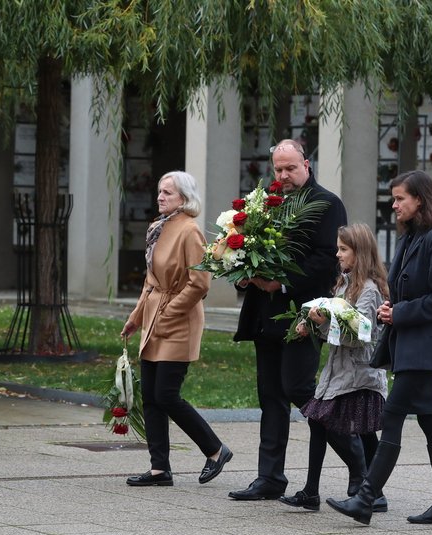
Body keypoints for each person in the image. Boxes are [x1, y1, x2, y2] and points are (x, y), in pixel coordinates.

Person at [327, 170, 432, 525]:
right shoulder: (410, 239)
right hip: (408, 343)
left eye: (401, 198)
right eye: (394, 198)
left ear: (421, 200)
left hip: (424, 347)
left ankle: (367, 498)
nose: (395, 204)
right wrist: (392, 309)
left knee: (392, 418)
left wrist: (400, 312)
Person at [229, 139, 347, 501]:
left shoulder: (327, 204)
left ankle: (362, 463)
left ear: (306, 165)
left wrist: (281, 282)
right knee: (270, 395)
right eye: (278, 169)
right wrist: (242, 270)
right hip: (265, 314)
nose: (283, 175)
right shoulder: (264, 205)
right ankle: (270, 477)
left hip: (302, 314)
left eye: (290, 168)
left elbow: (328, 260)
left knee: (298, 390)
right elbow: (247, 246)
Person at [121, 171, 232, 487]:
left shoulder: (189, 232)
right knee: (151, 396)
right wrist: (136, 317)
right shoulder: (157, 227)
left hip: (179, 320)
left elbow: (200, 283)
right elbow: (150, 280)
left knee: (167, 394)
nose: (160, 196)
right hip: (155, 316)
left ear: (184, 198)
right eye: (159, 191)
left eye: (167, 192)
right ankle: (159, 469)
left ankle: (215, 450)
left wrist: (169, 313)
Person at [279, 224, 388, 511]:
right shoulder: (343, 283)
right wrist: (312, 326)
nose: (337, 254)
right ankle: (314, 492)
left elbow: (362, 334)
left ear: (360, 253)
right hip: (339, 371)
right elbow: (339, 329)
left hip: (359, 372)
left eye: (343, 249)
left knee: (362, 431)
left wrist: (323, 323)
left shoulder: (369, 289)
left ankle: (371, 489)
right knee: (321, 423)